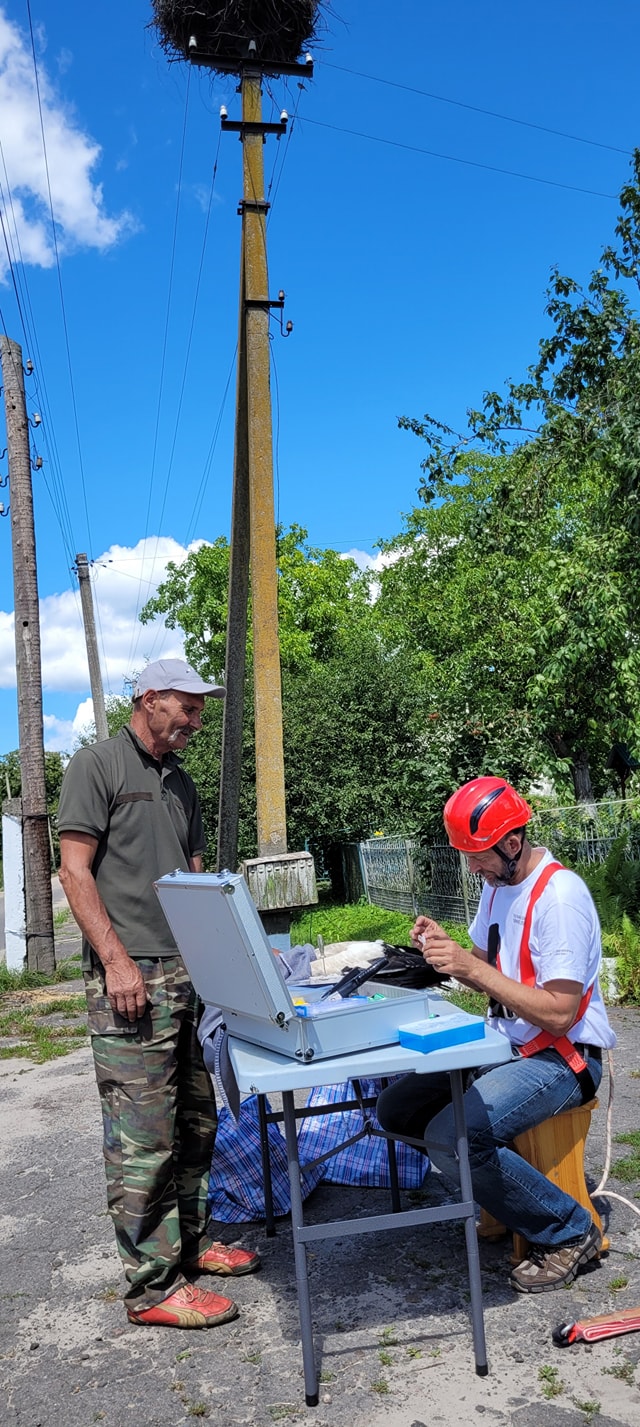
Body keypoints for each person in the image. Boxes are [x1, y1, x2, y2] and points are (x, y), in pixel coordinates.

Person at [58, 658, 260, 1329]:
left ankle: (192, 1246)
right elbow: (73, 868)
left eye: (201, 710)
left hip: (189, 975)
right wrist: (116, 961)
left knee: (196, 1122)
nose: (197, 721)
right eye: (190, 707)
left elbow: (198, 879)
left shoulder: (181, 782)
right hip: (132, 976)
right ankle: (152, 1286)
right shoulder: (99, 764)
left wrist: (224, 962)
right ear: (149, 697)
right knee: (142, 1136)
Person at [377, 775, 616, 1294]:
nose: (472, 867)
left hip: (564, 1057)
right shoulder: (499, 886)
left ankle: (568, 1231)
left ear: (512, 843)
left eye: (478, 855)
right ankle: (504, 1199)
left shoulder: (559, 899)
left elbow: (559, 1012)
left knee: (455, 1137)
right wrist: (446, 952)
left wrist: (471, 968)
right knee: (396, 1110)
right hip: (507, 1044)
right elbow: (489, 963)